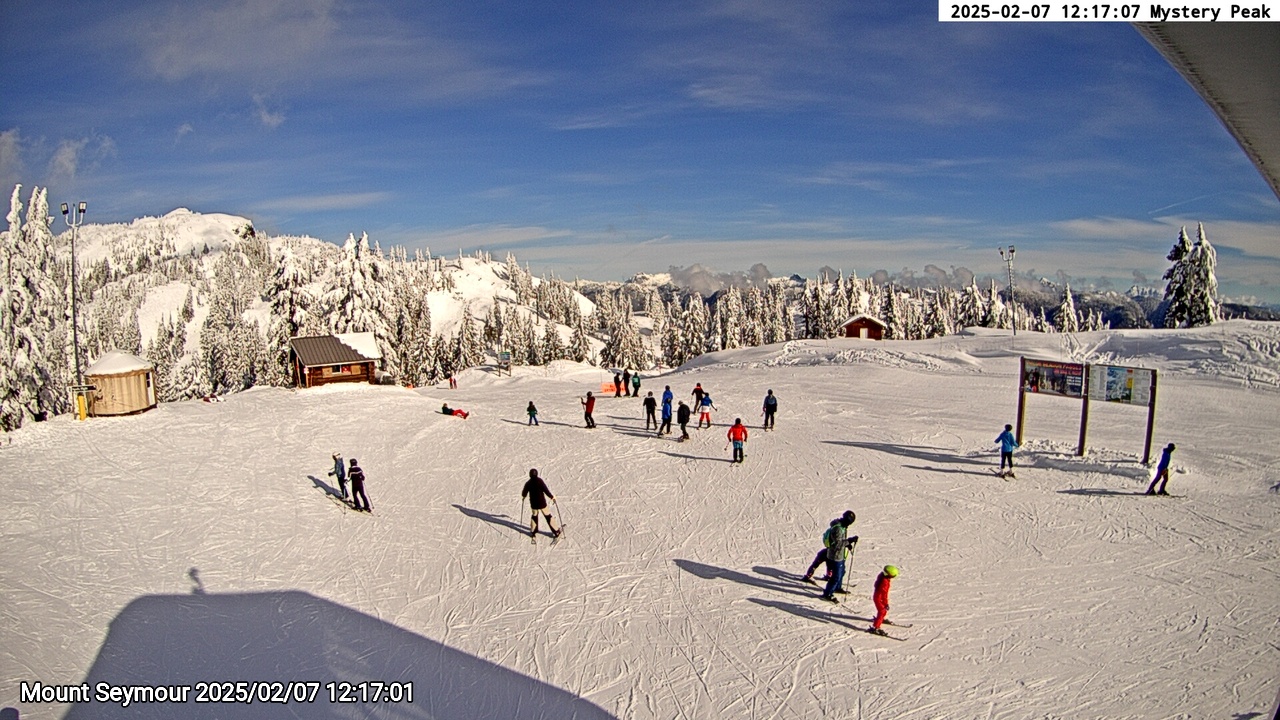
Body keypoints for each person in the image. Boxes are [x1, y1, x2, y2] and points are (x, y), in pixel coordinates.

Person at [801, 517, 858, 584]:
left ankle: (809, 575)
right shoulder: (839, 528)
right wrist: (849, 541)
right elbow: (838, 542)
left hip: (829, 549)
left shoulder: (837, 526)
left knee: (819, 562)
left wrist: (847, 544)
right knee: (830, 562)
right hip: (832, 551)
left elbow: (838, 540)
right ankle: (828, 576)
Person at [820, 510, 857, 602]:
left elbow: (840, 541)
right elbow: (837, 544)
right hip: (835, 556)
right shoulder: (838, 529)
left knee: (842, 571)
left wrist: (847, 543)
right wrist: (849, 541)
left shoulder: (842, 527)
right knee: (836, 576)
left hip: (839, 555)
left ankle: (837, 587)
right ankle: (828, 593)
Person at [521, 468, 560, 538]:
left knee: (534, 516)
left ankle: (533, 532)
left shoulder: (528, 483)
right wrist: (552, 497)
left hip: (533, 504)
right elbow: (546, 490)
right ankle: (556, 531)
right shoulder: (540, 481)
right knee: (548, 516)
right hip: (542, 503)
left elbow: (524, 492)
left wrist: (523, 497)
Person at [868, 565, 900, 636]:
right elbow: (884, 594)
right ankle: (876, 627)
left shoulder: (882, 576)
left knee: (883, 611)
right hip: (879, 598)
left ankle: (880, 619)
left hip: (878, 597)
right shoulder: (884, 582)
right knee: (882, 611)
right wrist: (886, 603)